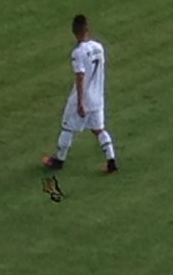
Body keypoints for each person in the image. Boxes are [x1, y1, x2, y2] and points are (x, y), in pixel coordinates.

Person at [41, 14, 117, 175]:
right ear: (87, 29)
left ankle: (58, 160)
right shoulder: (99, 47)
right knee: (99, 129)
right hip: (98, 98)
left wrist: (80, 102)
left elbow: (80, 76)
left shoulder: (77, 53)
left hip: (83, 98)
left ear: (73, 31)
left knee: (67, 127)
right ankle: (111, 161)